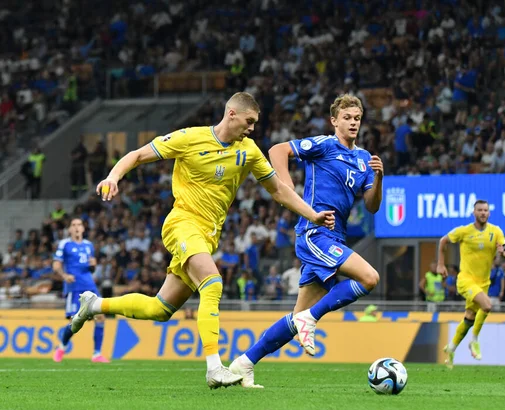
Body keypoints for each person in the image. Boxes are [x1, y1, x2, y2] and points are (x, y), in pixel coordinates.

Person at [69, 92, 335, 389]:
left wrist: (312, 215)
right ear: (231, 114)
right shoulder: (190, 138)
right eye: (249, 121)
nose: (252, 129)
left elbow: (278, 191)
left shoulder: (248, 151)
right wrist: (113, 177)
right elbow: (138, 155)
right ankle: (214, 368)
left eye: (255, 124)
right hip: (182, 223)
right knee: (213, 282)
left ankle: (94, 306)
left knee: (161, 308)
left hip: (208, 236)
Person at [229, 94, 383, 388]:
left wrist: (379, 179)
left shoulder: (364, 159)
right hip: (315, 233)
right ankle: (311, 319)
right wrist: (287, 188)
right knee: (369, 277)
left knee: (296, 317)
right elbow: (277, 151)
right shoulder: (324, 145)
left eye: (357, 118)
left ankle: (243, 364)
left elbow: (372, 205)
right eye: (347, 118)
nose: (353, 123)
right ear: (334, 121)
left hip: (336, 235)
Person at [437, 200, 505, 369]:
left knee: (469, 317)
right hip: (465, 280)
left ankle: (451, 348)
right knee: (487, 305)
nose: (483, 213)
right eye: (480, 210)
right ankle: (474, 340)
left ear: (489, 213)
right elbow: (443, 241)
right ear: (474, 213)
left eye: (486, 210)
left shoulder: (496, 231)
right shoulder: (464, 231)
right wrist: (441, 264)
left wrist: (504, 253)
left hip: (483, 282)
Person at [52, 218, 109, 364]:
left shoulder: (89, 245)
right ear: (70, 229)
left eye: (79, 224)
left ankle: (97, 354)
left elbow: (91, 267)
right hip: (74, 287)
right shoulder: (65, 244)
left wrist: (94, 265)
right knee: (75, 322)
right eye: (73, 225)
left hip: (90, 286)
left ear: (83, 228)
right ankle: (62, 346)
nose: (77, 227)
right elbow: (56, 265)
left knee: (101, 317)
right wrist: (64, 276)